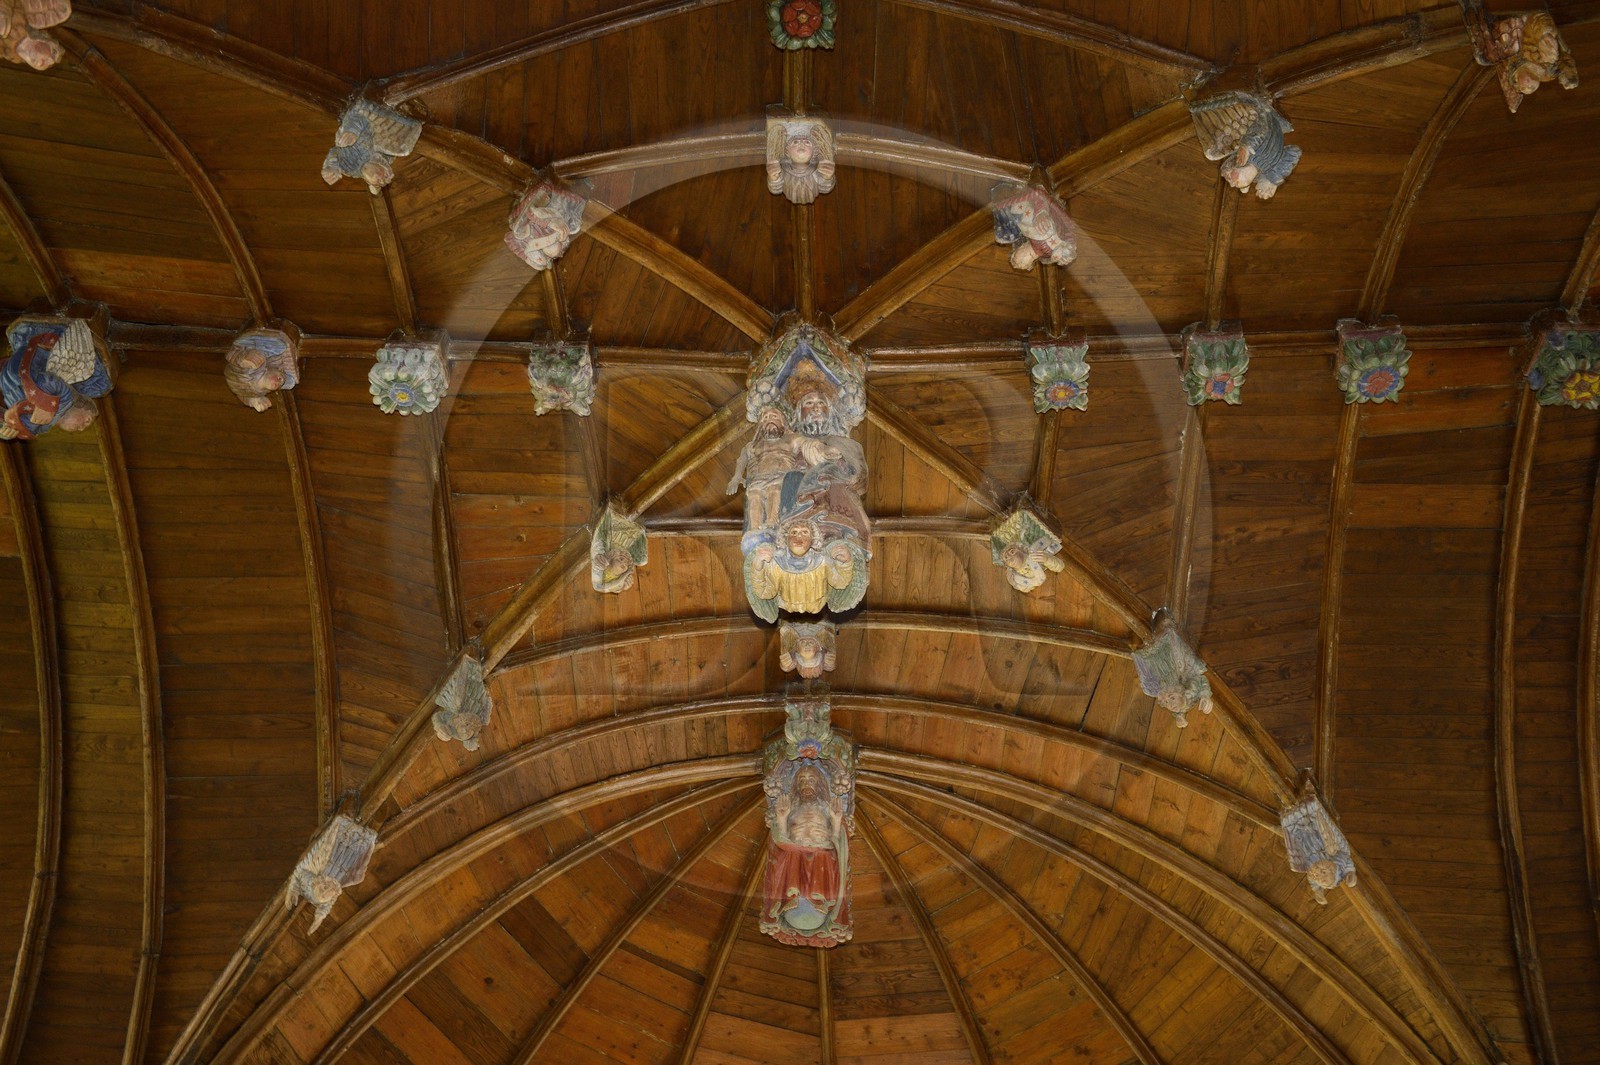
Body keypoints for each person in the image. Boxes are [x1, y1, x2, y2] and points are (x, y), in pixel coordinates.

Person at [761, 764, 851, 946]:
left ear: (820, 784)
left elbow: (837, 841)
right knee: (790, 854)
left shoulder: (826, 810)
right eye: (801, 780)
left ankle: (819, 900)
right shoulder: (791, 809)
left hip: (822, 853)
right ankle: (793, 897)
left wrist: (836, 820)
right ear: (796, 785)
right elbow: (780, 839)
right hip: (793, 853)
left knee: (825, 856)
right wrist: (782, 817)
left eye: (811, 780)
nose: (806, 784)